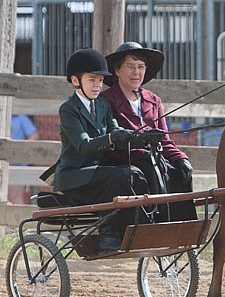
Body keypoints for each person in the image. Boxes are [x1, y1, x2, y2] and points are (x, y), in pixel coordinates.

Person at [53, 48, 163, 252]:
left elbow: (117, 130)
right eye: (92, 80)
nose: (97, 85)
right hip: (74, 174)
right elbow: (83, 145)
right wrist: (111, 138)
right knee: (122, 176)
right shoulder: (68, 109)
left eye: (100, 81)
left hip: (97, 171)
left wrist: (142, 138)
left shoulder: (102, 104)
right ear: (76, 81)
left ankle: (140, 226)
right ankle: (111, 233)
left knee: (137, 173)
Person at [101, 41, 197, 222]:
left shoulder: (154, 100)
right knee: (149, 168)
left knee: (179, 172)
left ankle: (182, 229)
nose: (136, 72)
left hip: (153, 158)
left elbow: (165, 140)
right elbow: (109, 140)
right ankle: (152, 225)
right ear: (117, 70)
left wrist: (181, 158)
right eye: (130, 67)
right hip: (121, 160)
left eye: (140, 67)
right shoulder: (106, 100)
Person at [8, 115, 40, 204]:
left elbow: (34, 135)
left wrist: (20, 151)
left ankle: (18, 217)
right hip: (2, 162)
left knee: (14, 195)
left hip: (17, 165)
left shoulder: (20, 118)